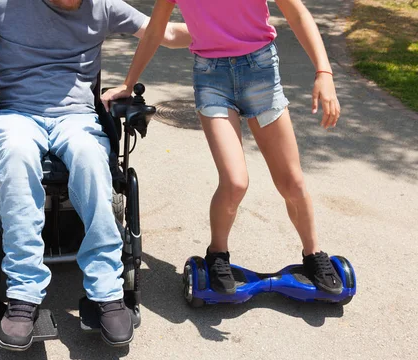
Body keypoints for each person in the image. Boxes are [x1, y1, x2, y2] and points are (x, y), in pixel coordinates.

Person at [0, 0, 190, 349]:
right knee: (17, 160)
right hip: (17, 114)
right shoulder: (3, 5)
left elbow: (168, 33)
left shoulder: (104, 6)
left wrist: (233, 30)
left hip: (77, 117)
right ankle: (23, 294)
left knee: (93, 161)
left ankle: (107, 291)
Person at [102, 0, 343, 295]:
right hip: (212, 78)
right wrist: (129, 84)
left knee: (291, 182)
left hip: (261, 73)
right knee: (235, 182)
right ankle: (217, 254)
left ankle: (313, 254)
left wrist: (324, 72)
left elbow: (297, 12)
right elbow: (156, 30)